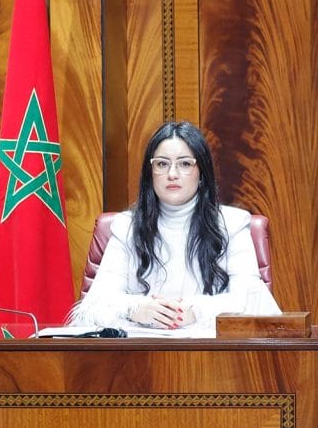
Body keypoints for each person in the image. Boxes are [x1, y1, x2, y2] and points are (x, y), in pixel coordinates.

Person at [68, 121, 282, 332]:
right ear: (150, 173)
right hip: (140, 356)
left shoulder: (233, 224)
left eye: (185, 164)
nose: (172, 173)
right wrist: (135, 308)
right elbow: (93, 306)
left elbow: (253, 303)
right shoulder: (126, 228)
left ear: (201, 173)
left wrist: (195, 311)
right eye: (162, 164)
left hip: (213, 358)